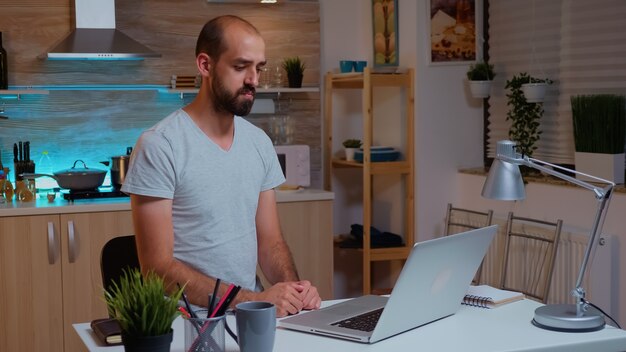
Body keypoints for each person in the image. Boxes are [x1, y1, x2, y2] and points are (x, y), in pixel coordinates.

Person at [121, 15, 321, 317]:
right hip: (185, 322)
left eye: (259, 68)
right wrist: (255, 300)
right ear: (205, 65)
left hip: (251, 314)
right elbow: (157, 270)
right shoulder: (161, 145)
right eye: (241, 67)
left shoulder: (259, 143)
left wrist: (295, 293)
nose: (253, 79)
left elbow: (271, 244)